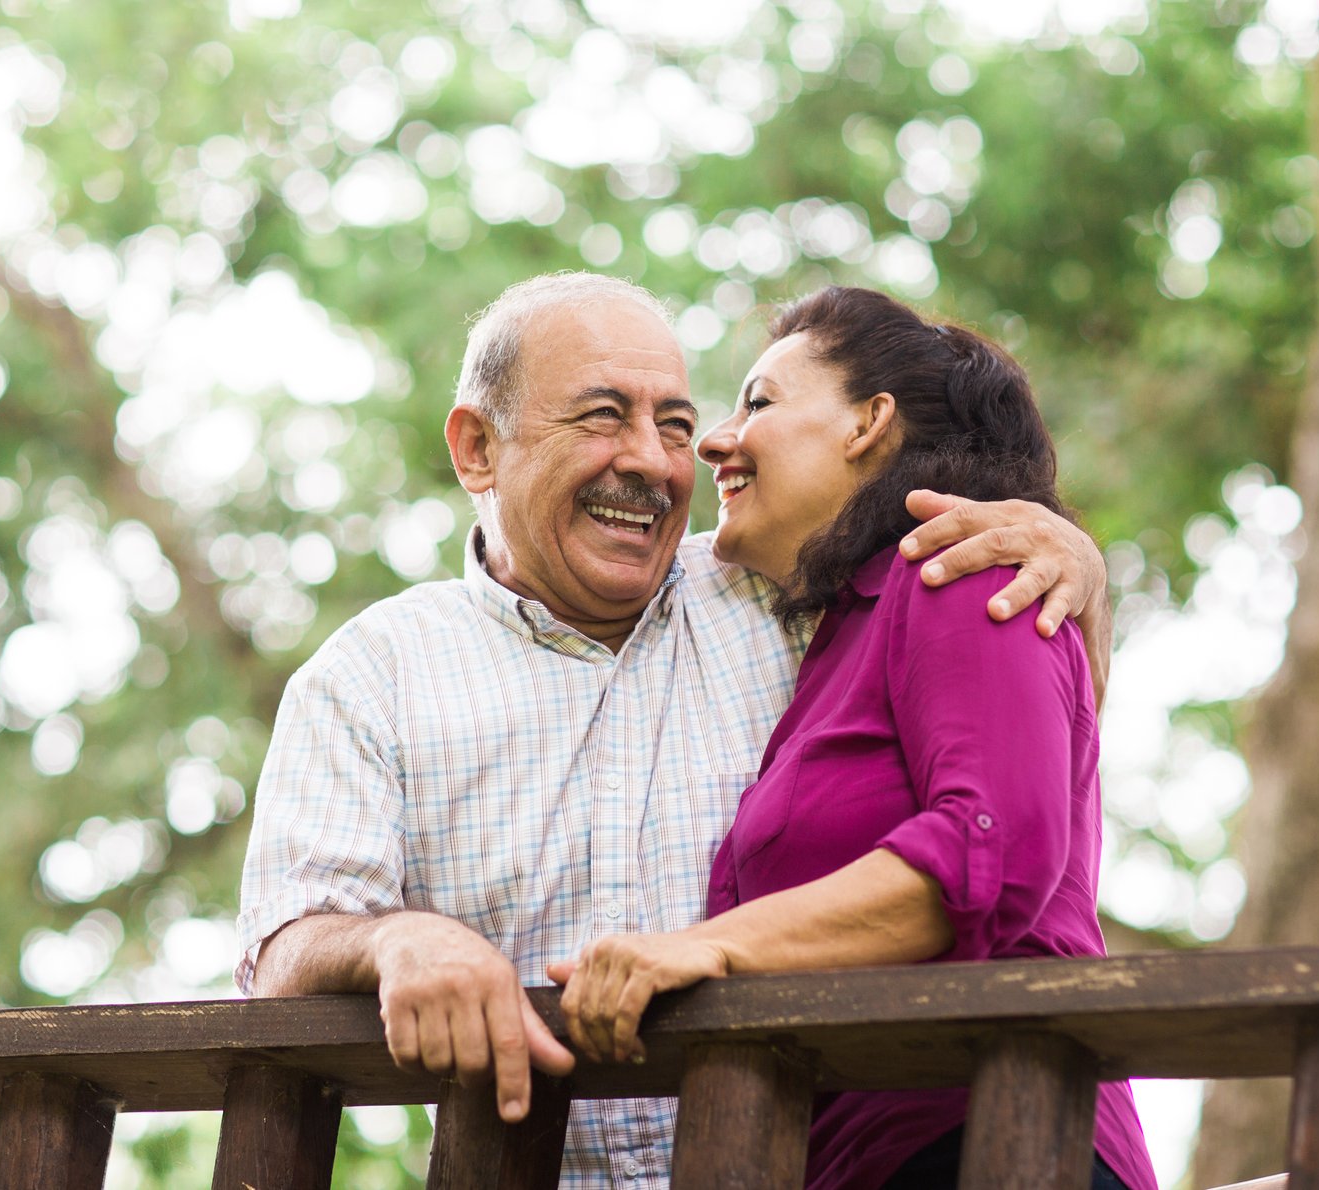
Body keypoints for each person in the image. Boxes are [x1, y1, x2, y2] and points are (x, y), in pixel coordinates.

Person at [236, 273, 1113, 1189]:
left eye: (677, 426)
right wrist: (395, 942)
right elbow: (282, 953)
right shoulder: (370, 677)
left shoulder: (791, 584)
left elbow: (1018, 764)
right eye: (603, 416)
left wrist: (1074, 566)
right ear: (477, 448)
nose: (656, 463)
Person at [550, 286, 1155, 1190]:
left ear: (870, 423)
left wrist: (706, 945)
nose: (715, 440)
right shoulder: (837, 636)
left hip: (995, 1141)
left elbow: (995, 849)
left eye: (758, 402)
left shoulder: (958, 571)